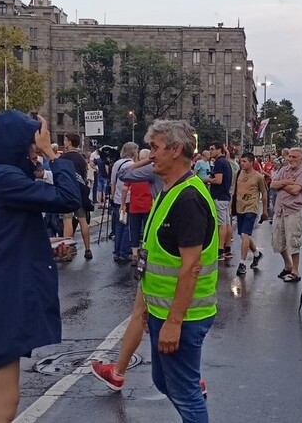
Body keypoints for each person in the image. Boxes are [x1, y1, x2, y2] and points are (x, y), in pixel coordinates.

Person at [0, 112, 80, 423]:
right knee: (3, 404)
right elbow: (68, 198)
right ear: (15, 146)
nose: (35, 153)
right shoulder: (4, 179)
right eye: (31, 146)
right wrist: (54, 154)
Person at [138, 120, 217, 422]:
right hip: (164, 310)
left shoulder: (188, 199)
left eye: (155, 148)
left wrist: (174, 322)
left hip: (184, 316)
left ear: (176, 150)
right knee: (164, 382)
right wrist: (148, 305)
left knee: (185, 393)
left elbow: (191, 267)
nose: (150, 154)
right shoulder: (170, 190)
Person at [269, 147, 302, 282]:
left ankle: (295, 271)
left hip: (294, 210)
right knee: (277, 241)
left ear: (301, 159)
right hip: (279, 210)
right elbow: (272, 185)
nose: (290, 159)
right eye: (290, 156)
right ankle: (288, 265)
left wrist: (280, 184)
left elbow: (295, 190)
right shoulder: (284, 170)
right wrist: (286, 182)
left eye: (294, 157)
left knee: (293, 242)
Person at [59, 133, 94, 260]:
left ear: (69, 142)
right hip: (80, 194)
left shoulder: (63, 158)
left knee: (67, 221)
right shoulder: (82, 158)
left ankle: (67, 251)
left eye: (66, 140)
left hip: (68, 193)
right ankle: (88, 249)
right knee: (83, 221)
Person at [232, 152, 267, 276]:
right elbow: (234, 191)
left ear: (251, 162)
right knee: (243, 235)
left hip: (251, 208)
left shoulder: (258, 177)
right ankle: (257, 254)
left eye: (245, 161)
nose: (242, 164)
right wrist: (231, 208)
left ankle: (242, 263)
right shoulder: (238, 174)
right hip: (239, 208)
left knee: (244, 234)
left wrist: (265, 211)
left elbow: (264, 192)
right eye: (241, 161)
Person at [204, 142, 234, 261]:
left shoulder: (219, 162)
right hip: (225, 197)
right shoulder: (226, 162)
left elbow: (218, 180)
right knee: (226, 223)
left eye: (212, 149)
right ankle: (228, 249)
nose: (210, 151)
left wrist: (205, 180)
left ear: (219, 150)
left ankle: (220, 250)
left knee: (221, 224)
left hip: (219, 196)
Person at [109, 142, 139, 258]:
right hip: (128, 198)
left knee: (119, 225)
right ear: (133, 152)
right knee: (128, 226)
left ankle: (116, 251)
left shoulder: (117, 163)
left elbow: (113, 181)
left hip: (117, 198)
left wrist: (113, 196)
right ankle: (124, 251)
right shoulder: (132, 164)